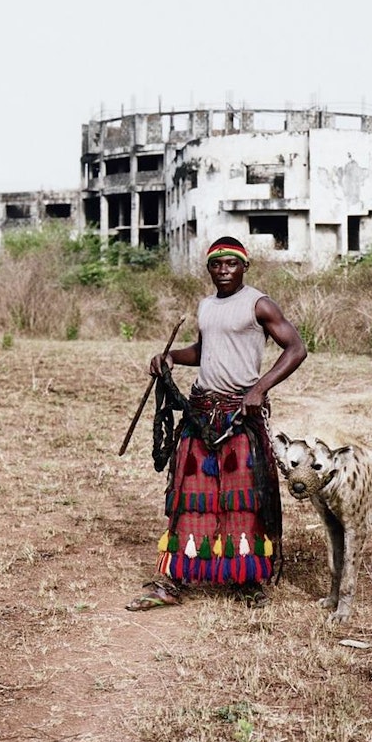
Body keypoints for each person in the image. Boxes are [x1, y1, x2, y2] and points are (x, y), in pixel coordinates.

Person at [126, 236, 307, 611]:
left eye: (231, 263)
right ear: (209, 268)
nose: (223, 270)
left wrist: (259, 388)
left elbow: (296, 348)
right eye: (216, 264)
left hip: (240, 414)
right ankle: (174, 581)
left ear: (244, 266)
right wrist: (171, 357)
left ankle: (247, 581)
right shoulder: (206, 306)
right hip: (201, 410)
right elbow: (205, 351)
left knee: (243, 500)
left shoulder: (259, 304)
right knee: (191, 498)